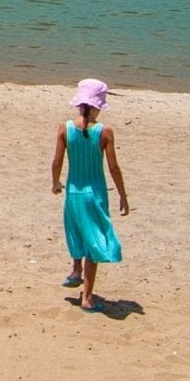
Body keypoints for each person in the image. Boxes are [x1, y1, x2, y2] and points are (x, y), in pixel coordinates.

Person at [51, 77, 129, 310]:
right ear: (98, 106)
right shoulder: (104, 132)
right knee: (94, 242)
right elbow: (113, 167)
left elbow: (56, 162)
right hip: (95, 194)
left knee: (76, 233)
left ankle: (76, 271)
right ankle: (86, 297)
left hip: (73, 192)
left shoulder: (65, 128)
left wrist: (56, 183)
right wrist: (123, 195)